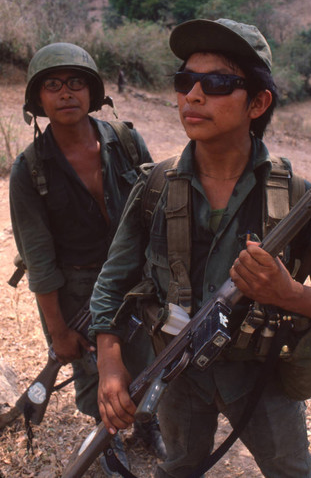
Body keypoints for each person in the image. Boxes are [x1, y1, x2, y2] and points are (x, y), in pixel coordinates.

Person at [89, 19, 311, 477]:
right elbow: (112, 282)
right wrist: (109, 362)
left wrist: (290, 295)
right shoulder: (155, 187)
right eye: (185, 81)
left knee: (291, 470)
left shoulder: (298, 196)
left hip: (262, 376)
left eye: (218, 83)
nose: (193, 96)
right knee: (180, 465)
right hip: (177, 373)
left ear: (258, 102)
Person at [9, 42, 165, 476]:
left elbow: (157, 203)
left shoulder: (127, 141)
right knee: (95, 373)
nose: (65, 93)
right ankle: (106, 440)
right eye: (53, 85)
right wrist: (58, 329)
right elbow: (39, 261)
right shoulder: (30, 170)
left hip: (137, 275)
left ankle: (148, 424)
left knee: (151, 355)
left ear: (93, 92)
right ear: (37, 100)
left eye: (76, 83)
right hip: (78, 290)